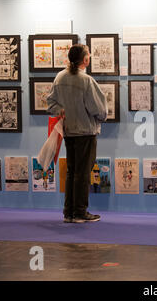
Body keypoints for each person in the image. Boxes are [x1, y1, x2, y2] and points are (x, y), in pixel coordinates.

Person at [47, 44, 108, 224]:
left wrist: (62, 110)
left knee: (72, 171)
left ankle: (69, 212)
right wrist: (102, 117)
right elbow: (99, 109)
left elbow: (51, 103)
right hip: (85, 132)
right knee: (82, 173)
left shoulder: (60, 77)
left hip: (68, 131)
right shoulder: (86, 80)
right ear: (85, 59)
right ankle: (80, 212)